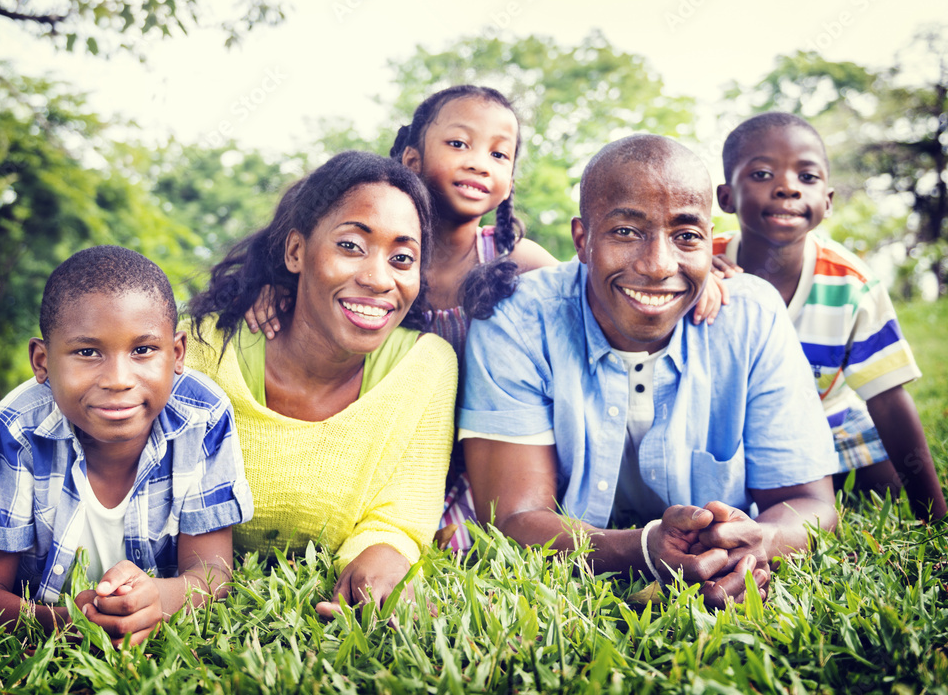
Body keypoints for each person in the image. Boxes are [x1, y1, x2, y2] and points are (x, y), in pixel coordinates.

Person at [248, 85, 727, 553]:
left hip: (485, 458)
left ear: (511, 184)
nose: (480, 162)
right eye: (459, 144)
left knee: (472, 547)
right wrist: (271, 292)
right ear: (411, 159)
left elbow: (603, 289)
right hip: (389, 447)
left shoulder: (517, 259)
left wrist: (693, 276)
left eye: (500, 155)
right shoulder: (373, 265)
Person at [459, 134, 840, 607]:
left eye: (686, 236)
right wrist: (641, 548)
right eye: (626, 231)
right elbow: (513, 520)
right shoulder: (517, 318)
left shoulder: (752, 315)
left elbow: (812, 504)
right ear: (583, 240)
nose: (659, 265)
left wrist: (757, 540)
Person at [185, 151, 456, 618]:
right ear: (297, 252)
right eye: (351, 246)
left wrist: (380, 563)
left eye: (402, 257)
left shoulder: (426, 365)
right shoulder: (204, 351)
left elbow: (400, 518)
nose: (377, 278)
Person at [0, 246, 252, 644]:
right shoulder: (16, 428)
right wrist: (70, 622)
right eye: (87, 352)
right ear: (42, 361)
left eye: (143, 350)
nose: (119, 379)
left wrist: (156, 598)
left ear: (176, 354)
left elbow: (212, 573)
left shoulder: (203, 416)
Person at [714, 112, 946, 521]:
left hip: (828, 425)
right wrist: (696, 279)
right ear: (726, 197)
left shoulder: (851, 284)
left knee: (886, 483)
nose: (787, 187)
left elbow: (889, 399)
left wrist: (935, 514)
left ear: (828, 200)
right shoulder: (701, 264)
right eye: (763, 174)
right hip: (731, 433)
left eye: (807, 177)